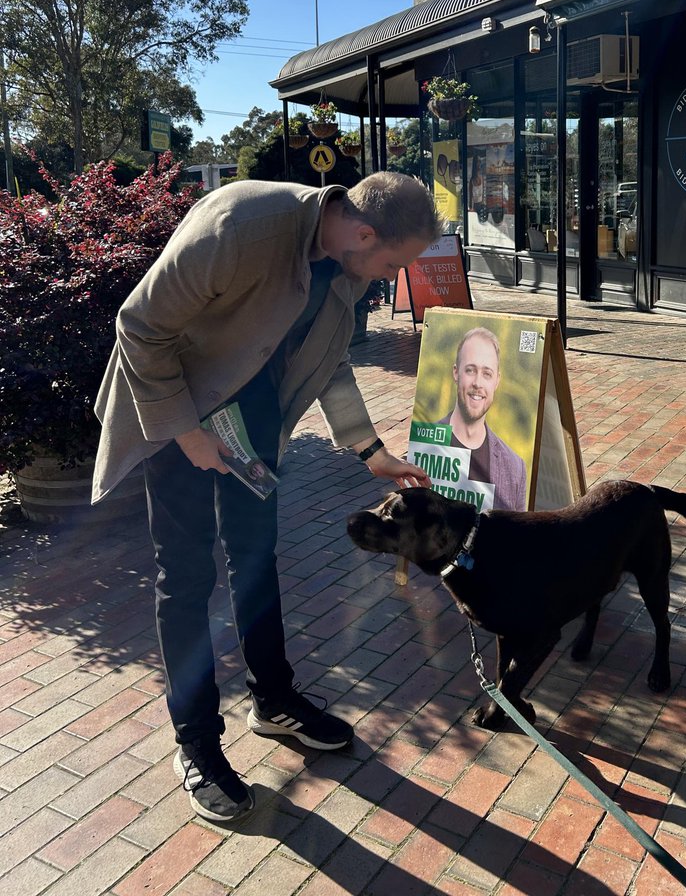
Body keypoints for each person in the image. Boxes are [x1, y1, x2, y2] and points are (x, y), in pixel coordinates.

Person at [93, 172, 442, 823]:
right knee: (187, 576)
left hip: (250, 420)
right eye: (396, 263)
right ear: (364, 232)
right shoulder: (241, 224)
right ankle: (195, 744)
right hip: (175, 412)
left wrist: (371, 451)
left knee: (256, 559)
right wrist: (188, 434)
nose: (397, 277)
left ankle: (273, 702)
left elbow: (330, 361)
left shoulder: (347, 265)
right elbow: (138, 327)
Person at [442, 326, 527, 512]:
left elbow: (518, 534)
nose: (478, 383)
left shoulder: (515, 467)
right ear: (456, 373)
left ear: (497, 380)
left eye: (487, 374)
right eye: (470, 370)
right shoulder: (424, 443)